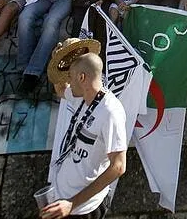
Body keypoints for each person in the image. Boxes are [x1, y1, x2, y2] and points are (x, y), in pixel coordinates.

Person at [43, 53, 127, 219]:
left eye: (71, 77)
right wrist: (59, 59)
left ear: (82, 77)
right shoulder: (82, 97)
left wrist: (73, 203)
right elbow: (60, 89)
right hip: (61, 195)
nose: (69, 83)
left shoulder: (110, 112)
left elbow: (118, 166)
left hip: (83, 208)